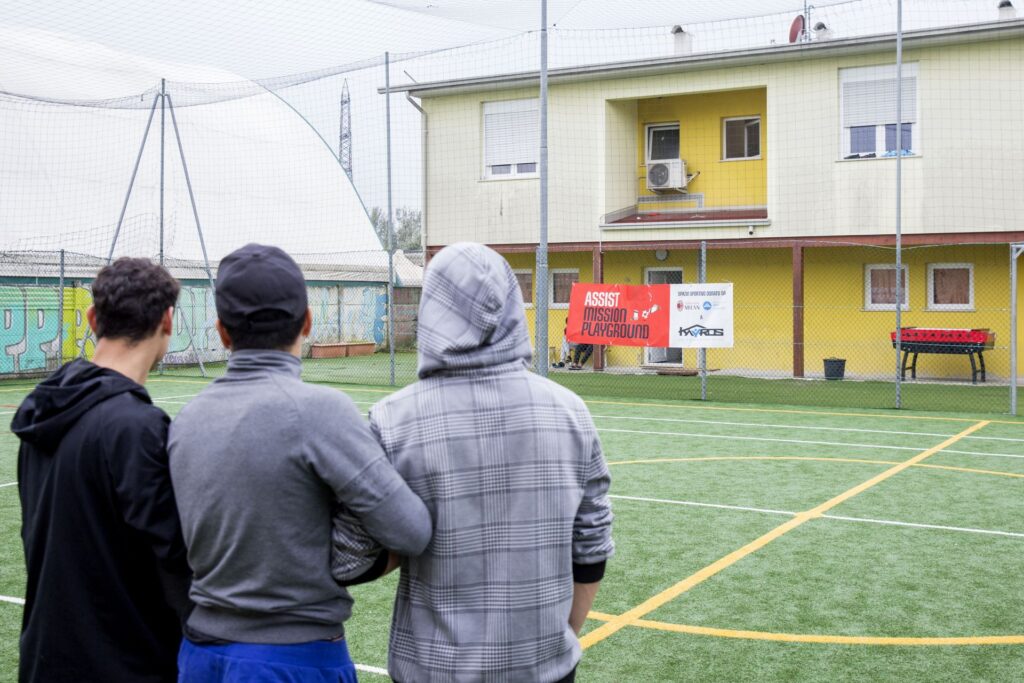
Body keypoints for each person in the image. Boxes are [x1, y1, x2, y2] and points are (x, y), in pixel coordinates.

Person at [332, 242, 614, 682]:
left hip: (434, 667)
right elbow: (591, 545)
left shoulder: (393, 420)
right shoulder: (569, 411)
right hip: (544, 667)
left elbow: (350, 556)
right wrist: (560, 639)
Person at [168, 243, 432, 682]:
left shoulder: (185, 419)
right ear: (307, 322)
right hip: (292, 660)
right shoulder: (319, 411)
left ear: (221, 332)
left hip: (199, 657)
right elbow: (411, 530)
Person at [12, 257, 191, 683]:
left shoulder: (40, 411)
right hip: (122, 663)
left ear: (92, 318)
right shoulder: (137, 428)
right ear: (168, 320)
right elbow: (173, 560)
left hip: (44, 660)